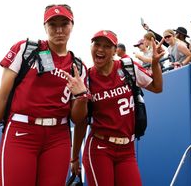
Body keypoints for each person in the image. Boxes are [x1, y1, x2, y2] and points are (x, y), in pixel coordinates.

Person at [0, 4, 88, 186]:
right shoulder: (25, 49)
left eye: (64, 23)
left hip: (58, 137)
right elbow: (2, 96)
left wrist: (81, 95)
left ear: (72, 25)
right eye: (52, 24)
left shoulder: (78, 67)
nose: (58, 30)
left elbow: (78, 118)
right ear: (44, 26)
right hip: (21, 131)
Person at [63, 30, 165, 186]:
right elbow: (81, 122)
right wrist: (74, 156)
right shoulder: (87, 78)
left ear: (114, 51)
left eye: (107, 46)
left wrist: (155, 63)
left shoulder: (127, 67)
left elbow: (157, 87)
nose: (100, 49)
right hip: (100, 148)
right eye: (97, 44)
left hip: (127, 149)